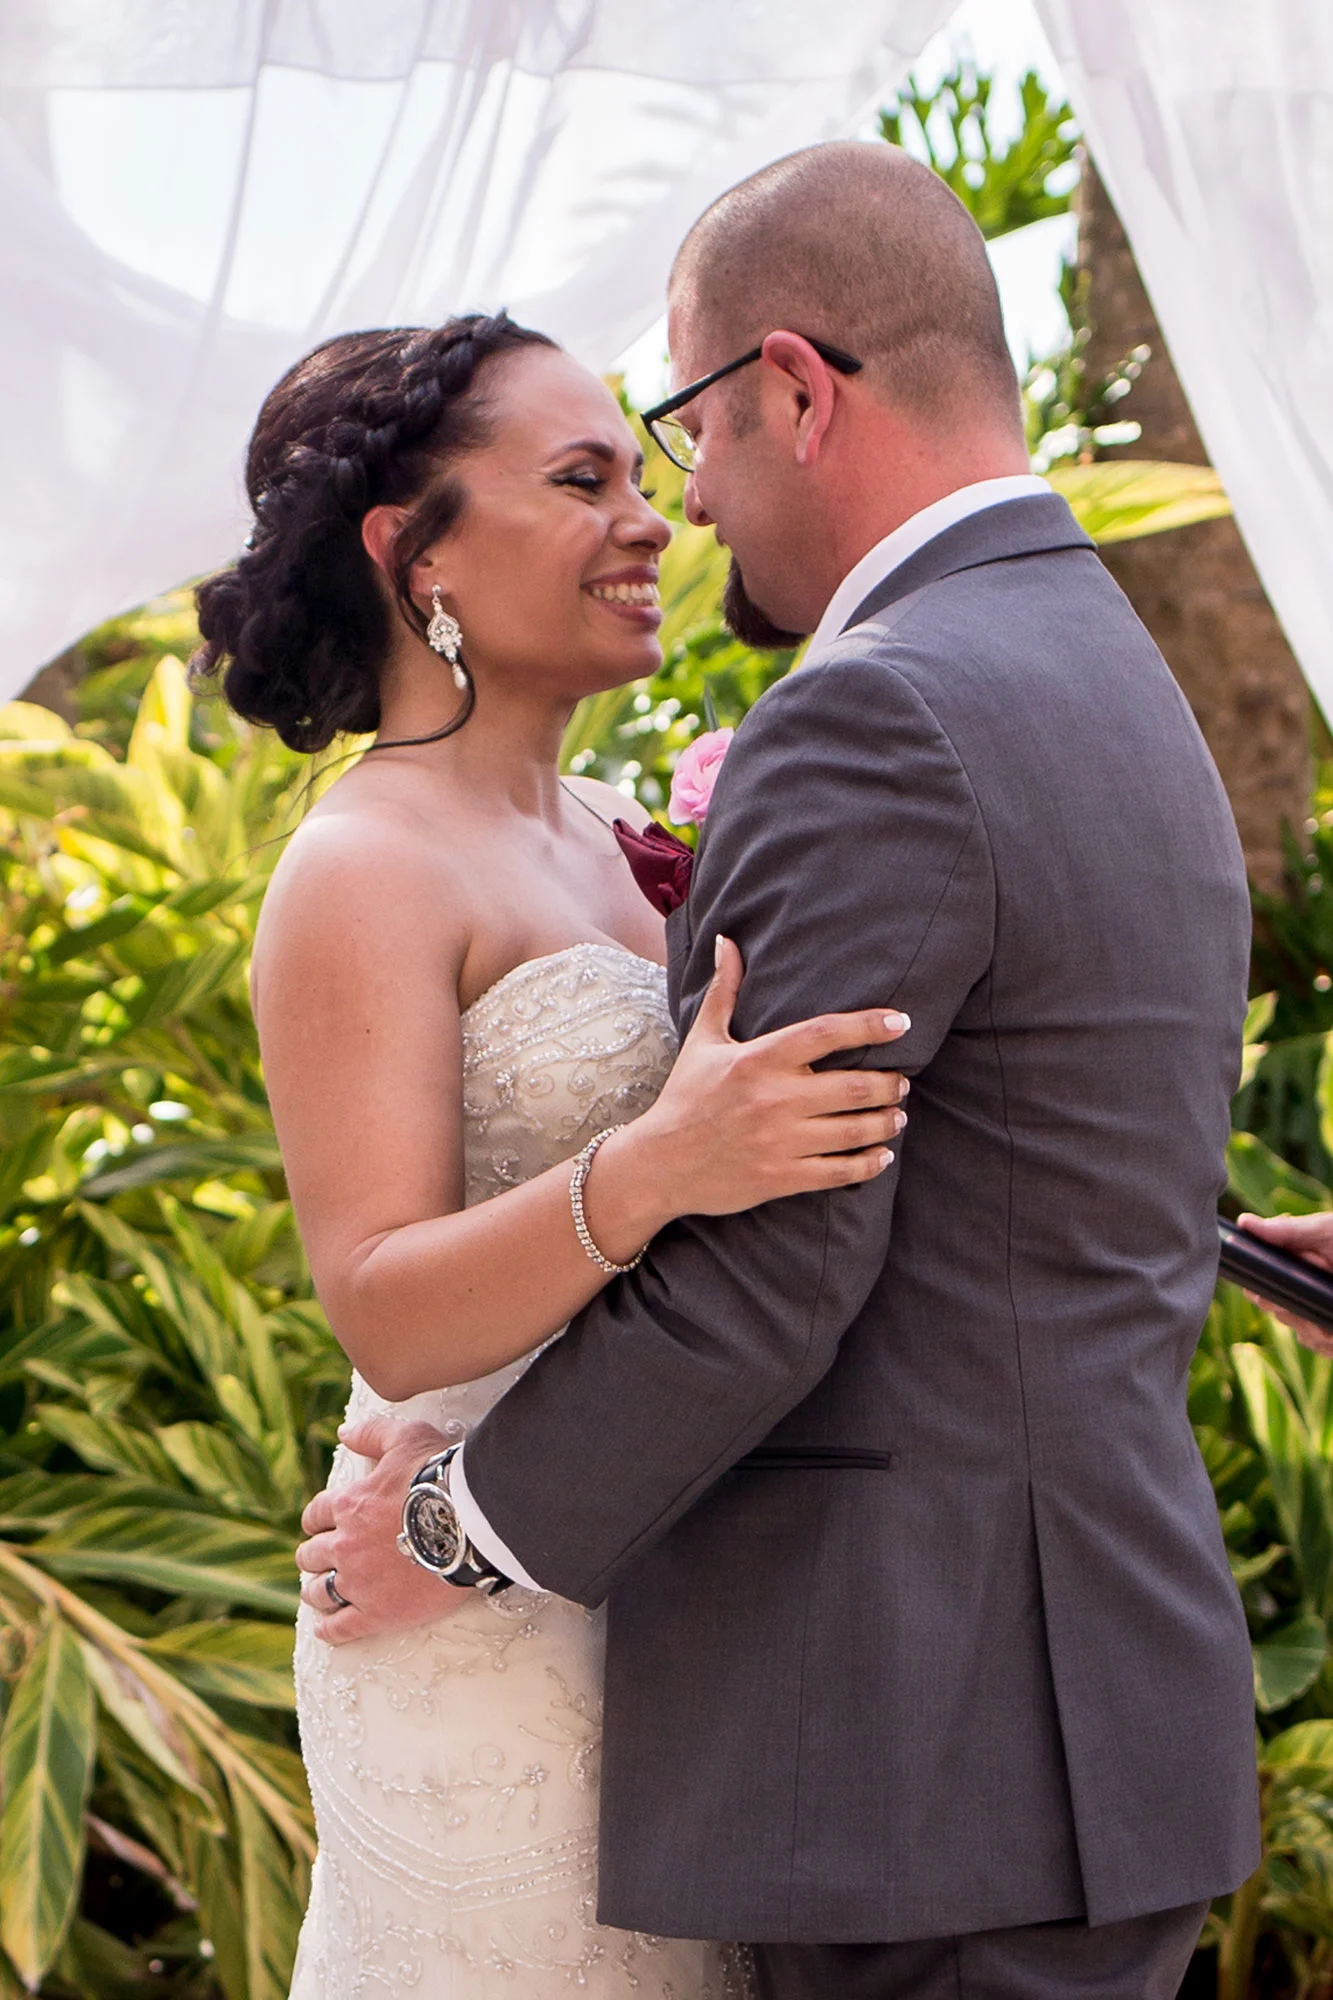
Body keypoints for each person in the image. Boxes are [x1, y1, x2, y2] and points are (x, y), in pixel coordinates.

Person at [301, 142, 1263, 1998]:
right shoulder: (1104, 665)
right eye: (590, 476)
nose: (683, 506)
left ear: (799, 391)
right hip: (1051, 1714)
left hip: (918, 1738)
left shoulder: (884, 706)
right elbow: (1031, 1158)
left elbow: (785, 1261)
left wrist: (454, 1528)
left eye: (682, 436)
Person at [193, 311, 912, 1997]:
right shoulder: (365, 867)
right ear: (410, 552)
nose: (654, 520)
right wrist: (657, 1166)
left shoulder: (610, 832)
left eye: (640, 475)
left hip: (665, 1587)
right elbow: (381, 1305)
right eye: (582, 480)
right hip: (465, 1625)